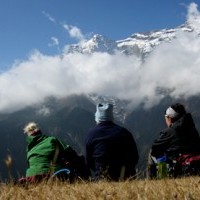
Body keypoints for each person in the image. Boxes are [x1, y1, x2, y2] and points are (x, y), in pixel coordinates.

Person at [85, 103, 139, 181]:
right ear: (111, 117)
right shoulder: (124, 132)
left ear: (97, 119)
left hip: (101, 178)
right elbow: (134, 157)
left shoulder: (91, 135)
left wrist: (99, 170)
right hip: (126, 178)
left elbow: (88, 161)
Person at [18, 122, 85, 184]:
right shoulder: (52, 140)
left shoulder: (29, 149)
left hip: (31, 177)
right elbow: (69, 152)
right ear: (40, 132)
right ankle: (85, 180)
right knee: (79, 160)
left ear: (29, 136)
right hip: (51, 175)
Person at [149, 103, 200, 178]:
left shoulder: (170, 131)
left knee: (152, 154)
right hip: (194, 163)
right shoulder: (192, 129)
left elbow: (155, 149)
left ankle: (161, 178)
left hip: (178, 165)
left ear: (169, 118)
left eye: (166, 117)